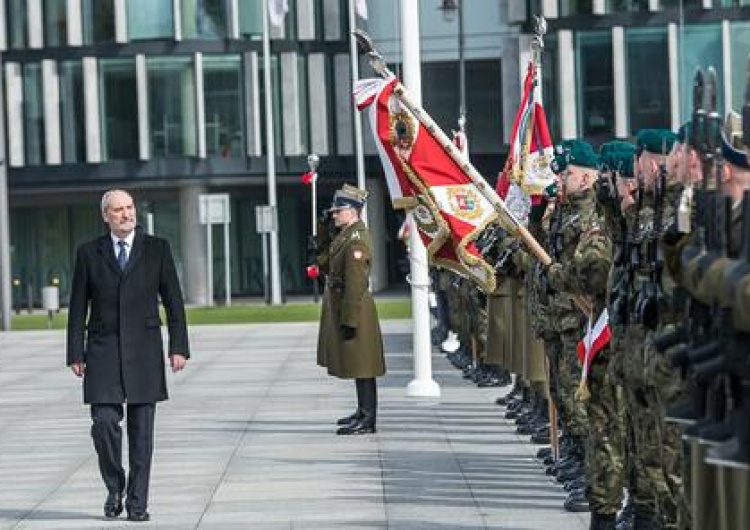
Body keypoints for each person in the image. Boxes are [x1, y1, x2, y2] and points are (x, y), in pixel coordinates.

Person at [66, 189, 189, 522]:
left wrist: (178, 346)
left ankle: (137, 504)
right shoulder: (89, 253)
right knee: (104, 424)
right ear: (105, 215)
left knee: (142, 435)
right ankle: (114, 485)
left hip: (145, 352)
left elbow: (174, 303)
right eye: (118, 210)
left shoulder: (157, 249)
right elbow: (78, 306)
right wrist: (75, 351)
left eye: (129, 207)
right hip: (103, 351)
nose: (126, 214)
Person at [315, 184, 385, 435]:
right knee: (358, 364)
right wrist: (322, 236)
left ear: (353, 211)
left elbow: (355, 282)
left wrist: (350, 318)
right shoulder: (345, 235)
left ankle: (368, 418)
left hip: (354, 306)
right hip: (344, 303)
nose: (334, 215)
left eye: (338, 211)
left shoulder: (357, 239)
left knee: (363, 365)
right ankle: (361, 411)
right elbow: (326, 265)